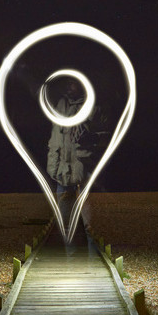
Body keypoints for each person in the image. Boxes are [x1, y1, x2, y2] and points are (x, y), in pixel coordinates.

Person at [46, 80, 107, 232]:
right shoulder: (60, 105)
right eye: (65, 83)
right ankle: (71, 255)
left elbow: (108, 135)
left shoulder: (96, 107)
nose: (67, 87)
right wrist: (53, 167)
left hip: (85, 171)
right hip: (63, 173)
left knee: (91, 226)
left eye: (72, 83)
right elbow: (55, 140)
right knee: (66, 227)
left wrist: (93, 139)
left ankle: (92, 255)